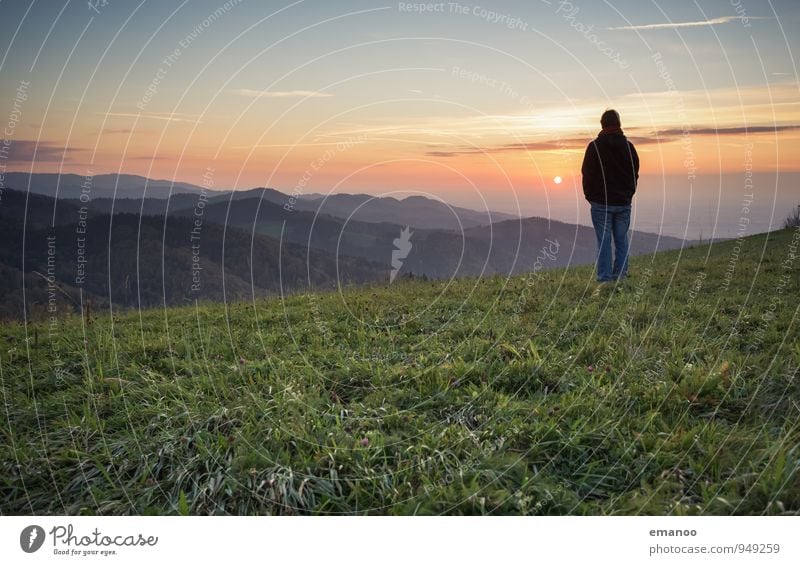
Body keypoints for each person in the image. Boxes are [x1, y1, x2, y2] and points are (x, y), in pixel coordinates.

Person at [581, 109, 640, 282]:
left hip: (600, 203)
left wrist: (590, 196)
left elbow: (587, 173)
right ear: (619, 124)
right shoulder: (628, 147)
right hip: (623, 203)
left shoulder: (594, 147)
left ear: (602, 124)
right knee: (621, 240)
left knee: (604, 242)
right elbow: (634, 173)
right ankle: (620, 276)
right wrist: (629, 193)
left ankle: (605, 279)